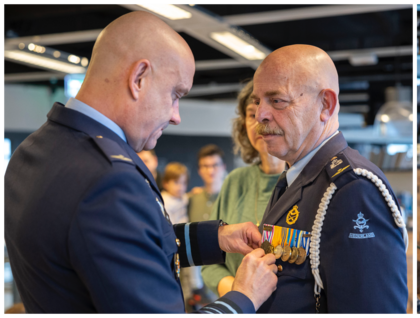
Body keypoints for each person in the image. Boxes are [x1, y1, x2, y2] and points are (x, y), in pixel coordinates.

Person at [1, 12, 278, 315]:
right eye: (175, 94)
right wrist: (243, 298)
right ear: (139, 78)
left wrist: (214, 237)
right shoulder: (107, 179)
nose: (176, 115)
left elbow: (117, 248)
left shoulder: (34, 149)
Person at [252, 45, 408, 315]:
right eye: (258, 101)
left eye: (277, 101)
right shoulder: (297, 176)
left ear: (326, 105)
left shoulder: (352, 189)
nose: (260, 115)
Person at [202, 81, 286, 298]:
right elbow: (209, 261)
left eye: (269, 108)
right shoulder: (235, 181)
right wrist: (242, 295)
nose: (259, 119)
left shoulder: (303, 181)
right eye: (251, 114)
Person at [189, 144, 227, 223]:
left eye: (215, 165)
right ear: (199, 170)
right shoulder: (191, 199)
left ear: (223, 167)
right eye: (205, 166)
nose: (210, 171)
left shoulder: (232, 199)